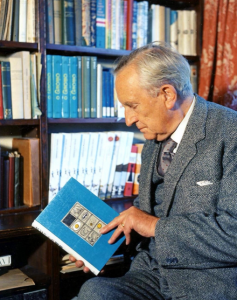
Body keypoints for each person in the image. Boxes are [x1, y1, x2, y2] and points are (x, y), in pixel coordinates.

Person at [70, 43, 237, 300]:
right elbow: (144, 215)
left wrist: (153, 225)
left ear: (167, 94)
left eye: (132, 105)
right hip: (151, 276)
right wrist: (100, 247)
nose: (128, 120)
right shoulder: (155, 138)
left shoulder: (231, 133)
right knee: (94, 292)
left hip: (207, 284)